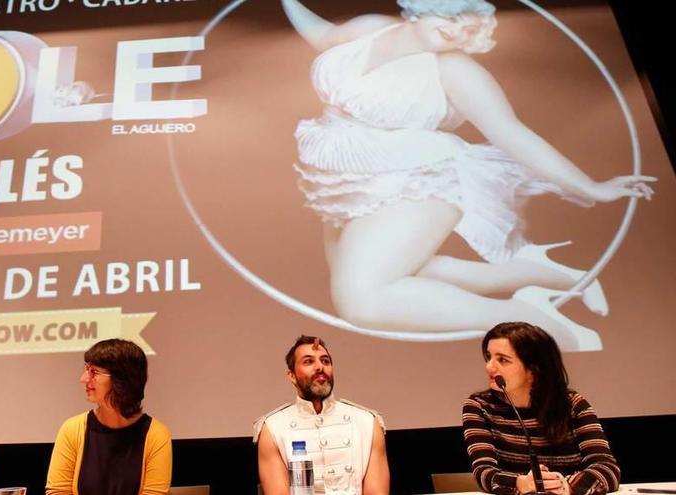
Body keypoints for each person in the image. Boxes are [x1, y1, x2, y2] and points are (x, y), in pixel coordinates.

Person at [281, 0, 656, 351]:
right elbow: (322, 34)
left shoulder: (455, 71)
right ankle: (543, 275)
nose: (454, 26)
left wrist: (591, 187)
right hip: (341, 172)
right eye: (446, 12)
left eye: (466, 18)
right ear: (418, 8)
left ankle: (539, 325)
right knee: (395, 269)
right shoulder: (372, 29)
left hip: (416, 178)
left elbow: (512, 135)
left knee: (362, 301)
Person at [462, 322, 620, 495]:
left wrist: (566, 486)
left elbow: (607, 469)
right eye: (489, 356)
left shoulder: (572, 405)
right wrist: (521, 483)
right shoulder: (480, 406)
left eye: (503, 360)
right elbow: (484, 471)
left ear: (534, 370)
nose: (489, 367)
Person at [254, 335, 389, 495]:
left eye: (325, 361)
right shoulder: (273, 428)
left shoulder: (367, 422)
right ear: (292, 376)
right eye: (308, 361)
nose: (320, 367)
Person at [46, 338, 172, 495]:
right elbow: (58, 492)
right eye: (86, 370)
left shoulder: (155, 435)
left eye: (94, 372)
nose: (84, 379)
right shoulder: (72, 429)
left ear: (122, 380)